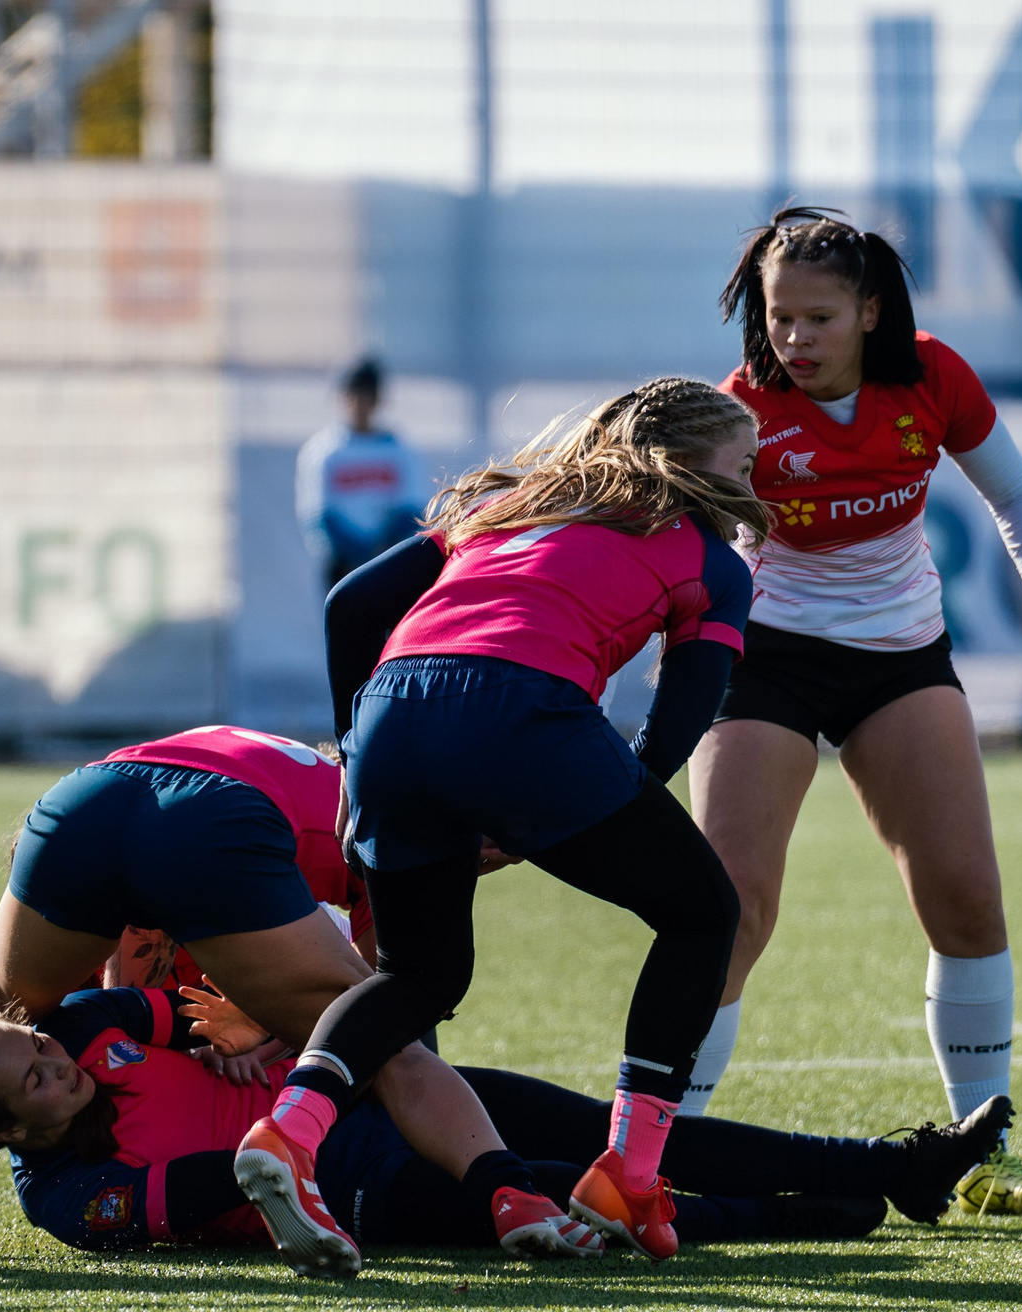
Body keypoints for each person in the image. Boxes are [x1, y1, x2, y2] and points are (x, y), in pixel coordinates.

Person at [256, 376, 766, 1266]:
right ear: (693, 464)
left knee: (422, 973)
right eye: (745, 459)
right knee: (704, 913)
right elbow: (680, 719)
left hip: (390, 714)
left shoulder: (510, 506)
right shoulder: (707, 557)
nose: (756, 477)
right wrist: (605, 791)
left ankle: (290, 1130)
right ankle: (631, 1171)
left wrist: (354, 757)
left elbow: (351, 609)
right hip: (524, 715)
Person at [0, 724, 599, 1277]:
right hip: (205, 822)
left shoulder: (332, 778)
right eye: (494, 851)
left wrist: (248, 1025)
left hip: (86, 796)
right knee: (391, 1048)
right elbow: (379, 1029)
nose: (491, 861)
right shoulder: (390, 839)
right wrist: (269, 1031)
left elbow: (140, 1009)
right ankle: (514, 1196)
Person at [689, 207, 1022, 1215]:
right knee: (728, 907)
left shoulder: (933, 378)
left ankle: (982, 1155)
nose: (795, 339)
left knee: (964, 895)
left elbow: (1019, 497)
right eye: (780, 319)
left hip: (899, 660)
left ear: (871, 312)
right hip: (766, 662)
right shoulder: (740, 414)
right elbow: (686, 550)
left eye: (818, 318)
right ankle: (656, 1153)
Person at [0, 986, 1017, 1255]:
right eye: (36, 1081)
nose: (59, 1060)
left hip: (375, 1091)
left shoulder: (94, 1031)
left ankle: (890, 1164)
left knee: (620, 1130)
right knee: (551, 1180)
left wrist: (248, 1019)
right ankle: (794, 1219)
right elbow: (226, 1184)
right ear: (11, 1136)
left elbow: (211, 997)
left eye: (42, 1047)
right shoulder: (67, 1200)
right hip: (362, 1190)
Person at [296, 357, 428, 591]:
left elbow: (412, 508)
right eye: (353, 394)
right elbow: (319, 516)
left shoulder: (399, 450)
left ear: (378, 399)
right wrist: (360, 553)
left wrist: (383, 550)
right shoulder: (324, 451)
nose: (359, 403)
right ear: (341, 397)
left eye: (367, 395)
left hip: (389, 561)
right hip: (343, 564)